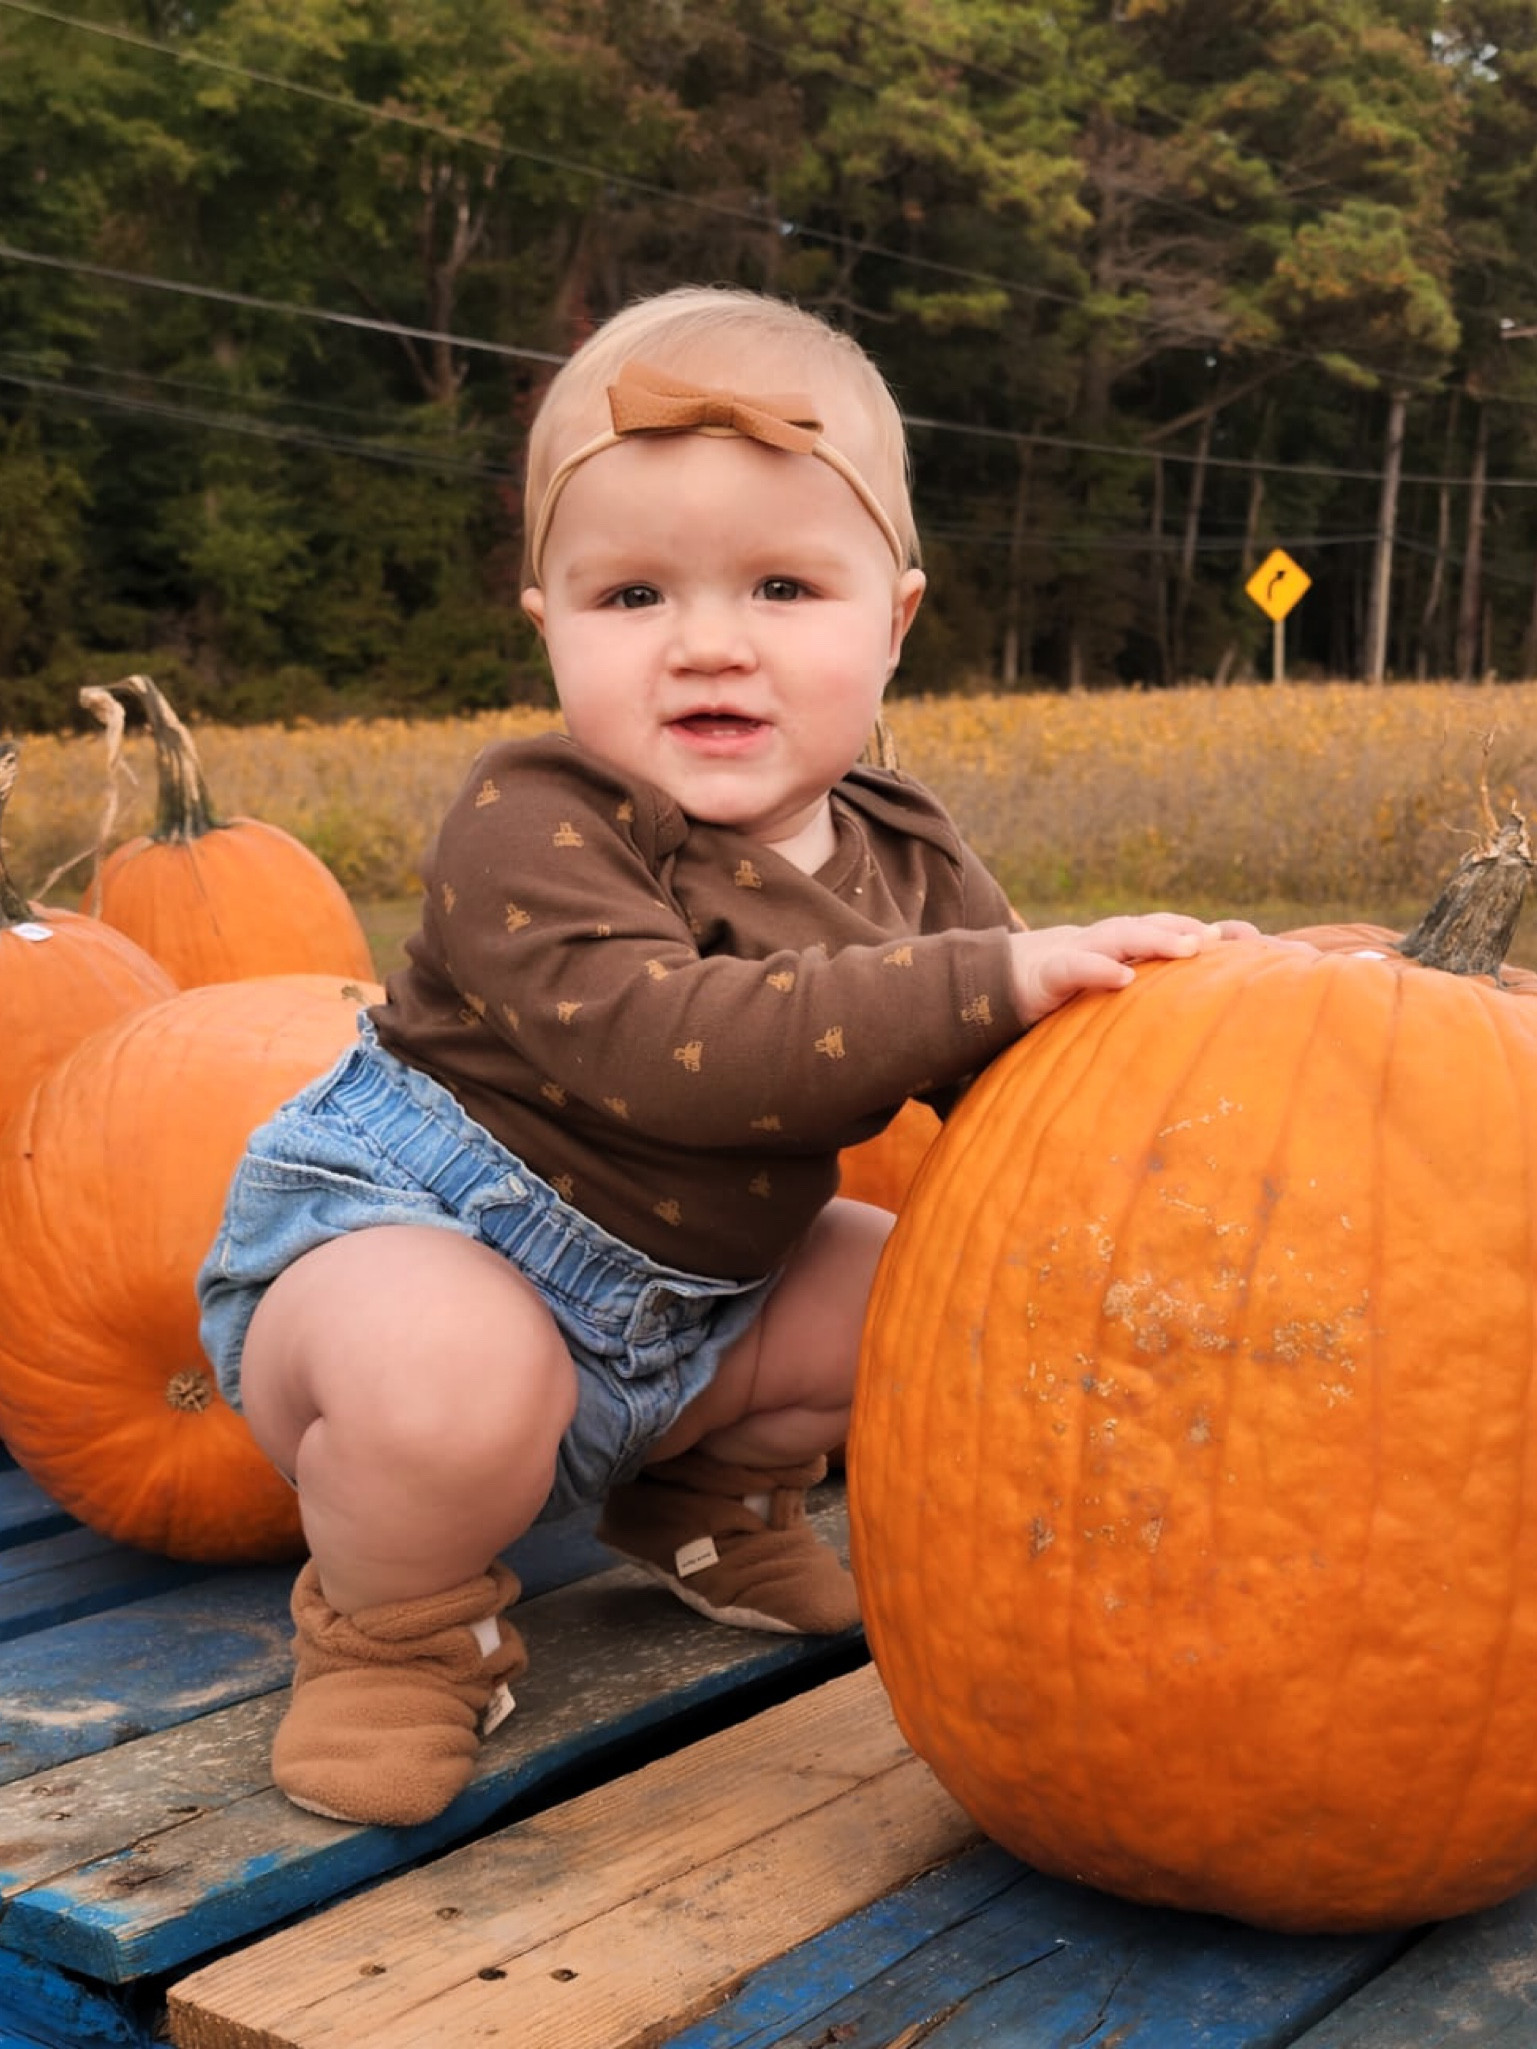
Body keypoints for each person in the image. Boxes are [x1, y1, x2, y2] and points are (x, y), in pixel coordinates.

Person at [196, 284, 1258, 1830]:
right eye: (631, 596)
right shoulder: (532, 822)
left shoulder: (907, 852)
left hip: (697, 1305)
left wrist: (1223, 1037)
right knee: (451, 1377)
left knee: (931, 1290)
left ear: (890, 620)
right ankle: (392, 1627)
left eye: (779, 586)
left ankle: (693, 1490)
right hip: (414, 1244)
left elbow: (1023, 1102)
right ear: (546, 622)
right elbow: (674, 1052)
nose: (706, 645)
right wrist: (991, 976)